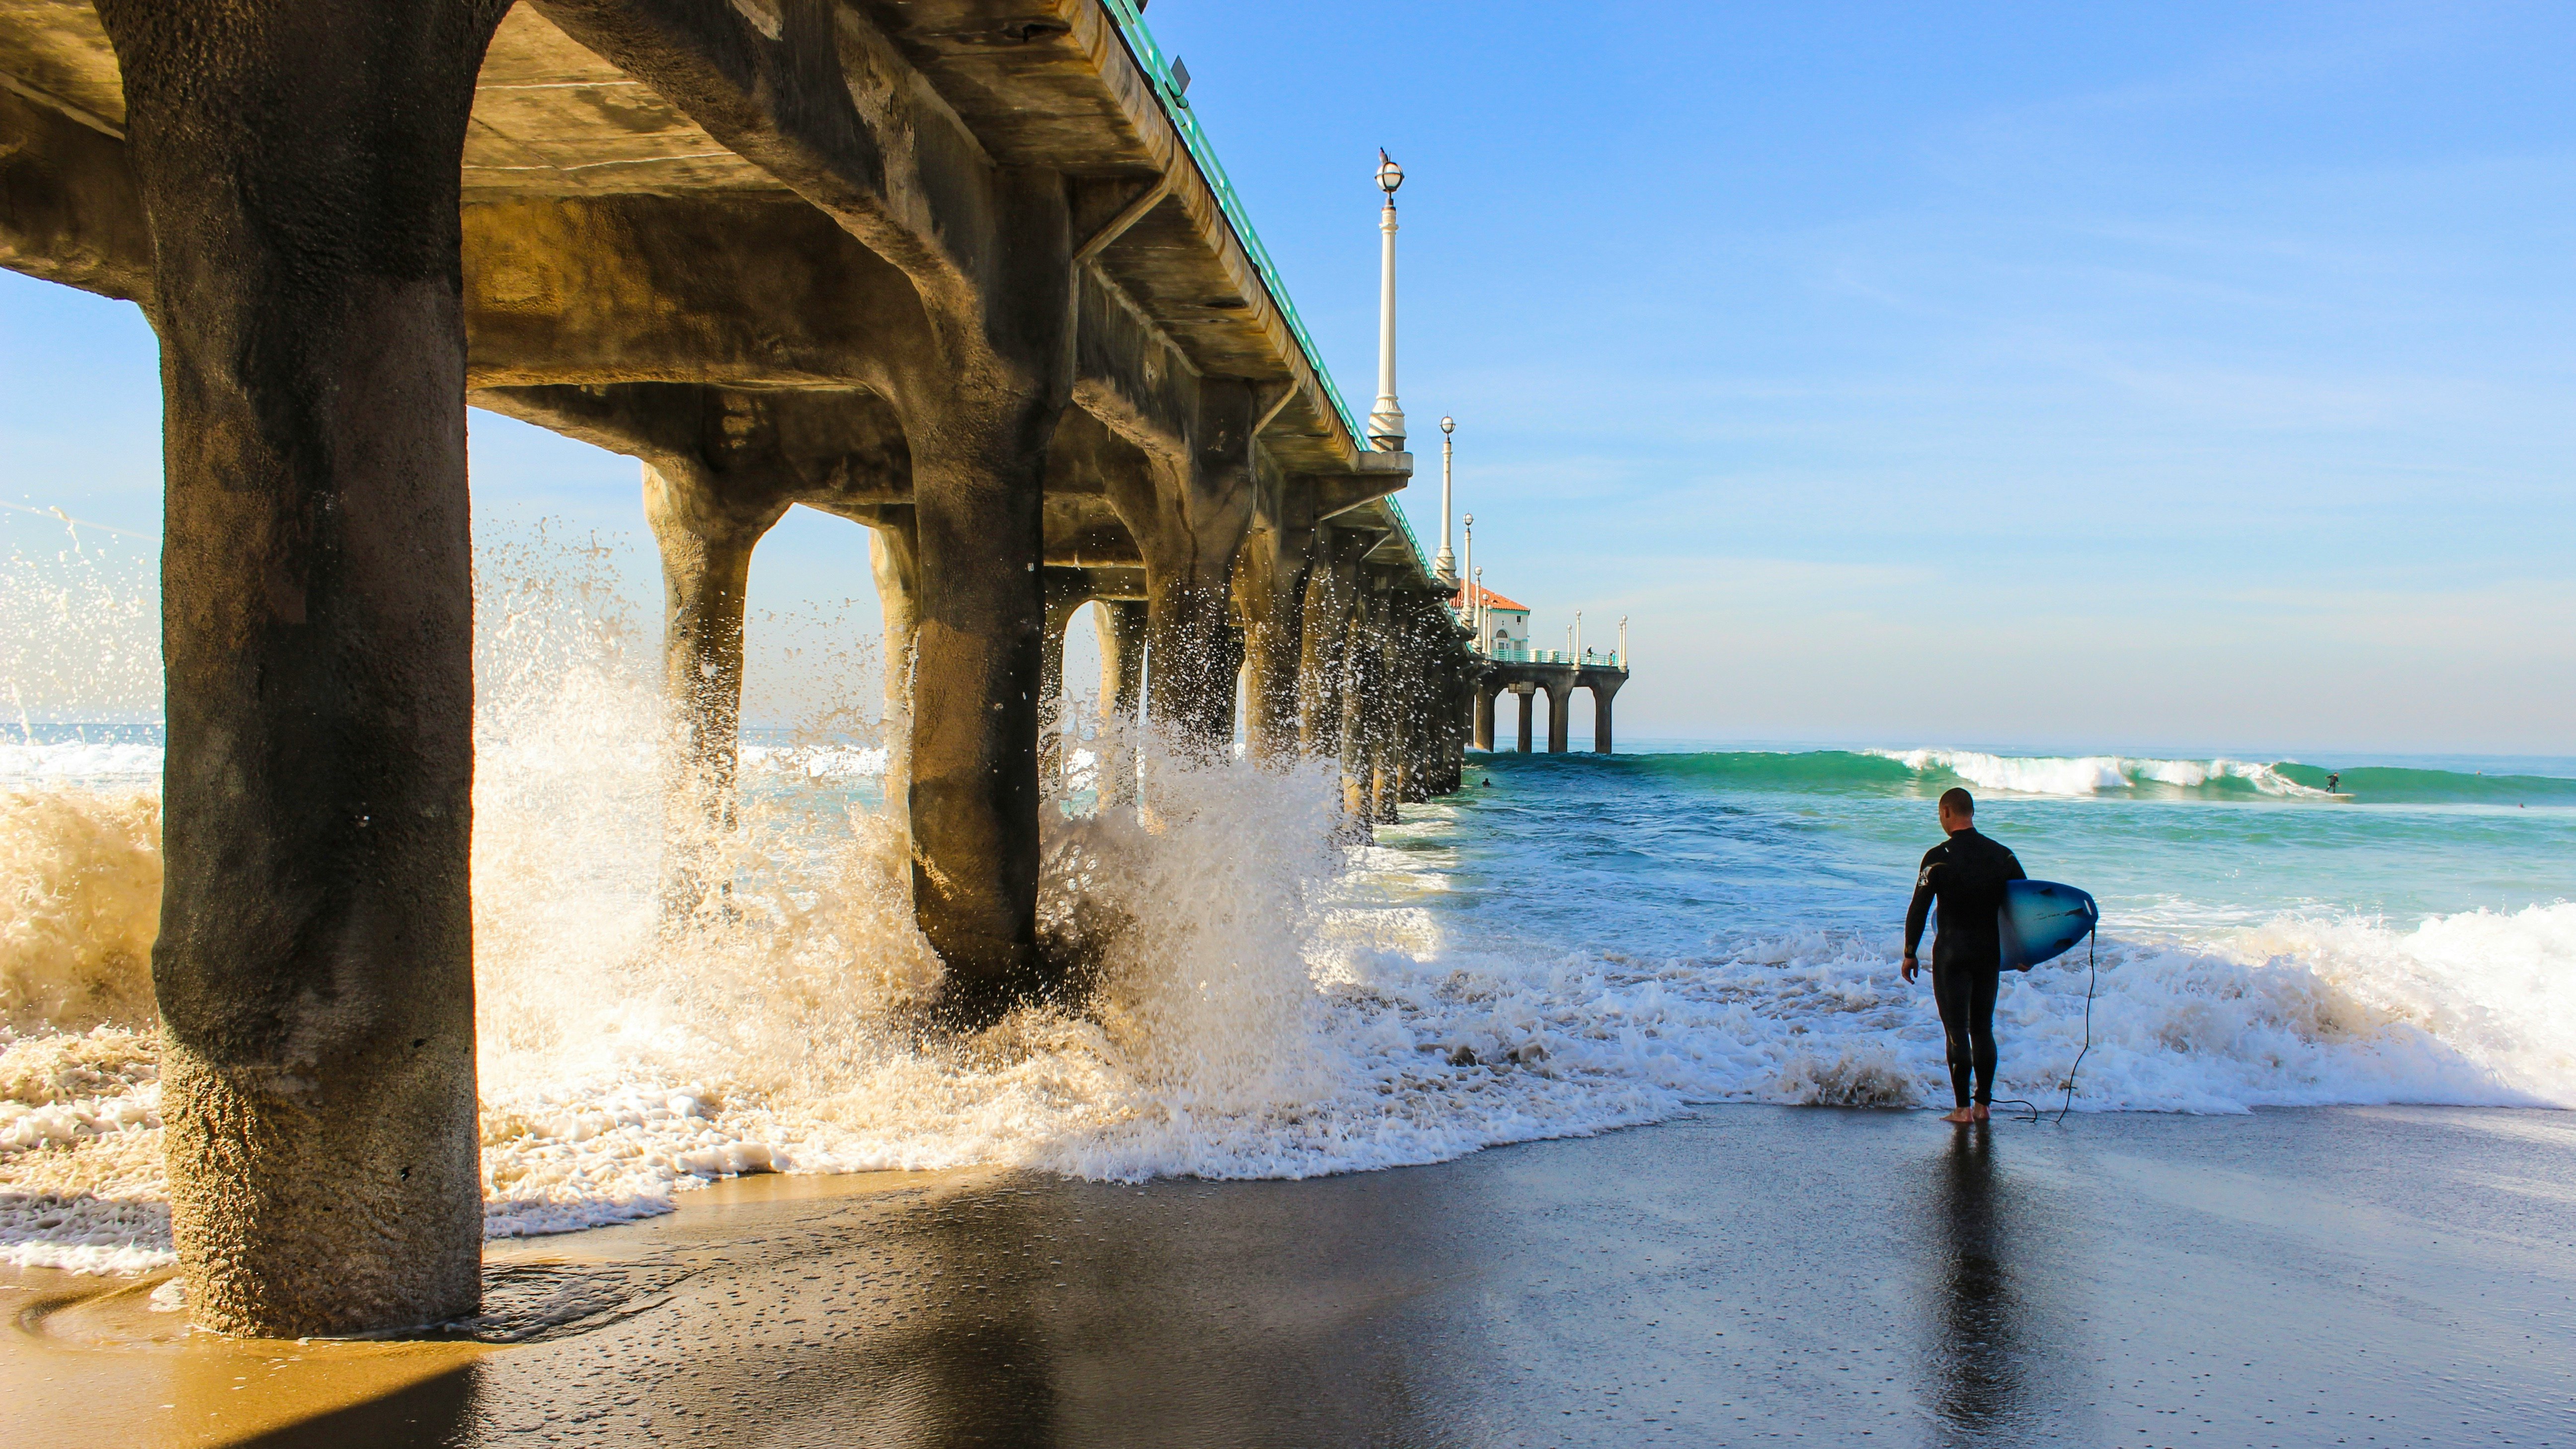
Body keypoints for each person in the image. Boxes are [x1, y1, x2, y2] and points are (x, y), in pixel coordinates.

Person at [1903, 788, 2026, 1124]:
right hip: (1989, 953)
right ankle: (1983, 1106)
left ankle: (1962, 1110)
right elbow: (2026, 906)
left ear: (1946, 813)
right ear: (1970, 812)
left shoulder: (1937, 857)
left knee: (1957, 1031)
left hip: (1952, 954)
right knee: (1983, 1029)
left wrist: (1910, 952)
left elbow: (1919, 908)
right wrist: (2026, 951)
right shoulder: (2003, 856)